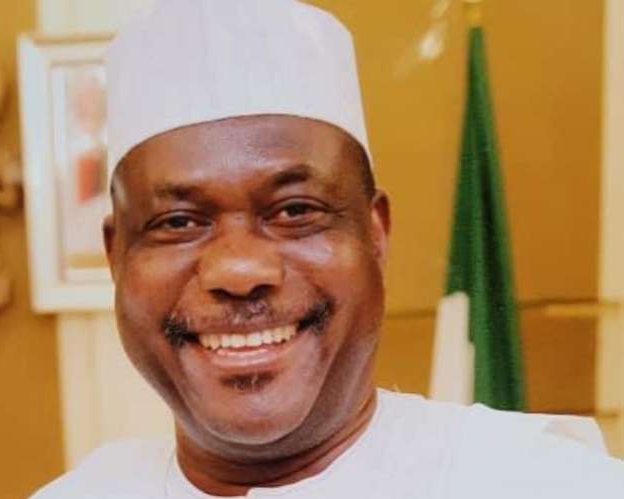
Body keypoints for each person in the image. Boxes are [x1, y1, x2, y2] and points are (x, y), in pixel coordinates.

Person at [32, 1, 624, 497]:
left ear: (375, 233)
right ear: (115, 256)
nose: (239, 269)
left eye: (295, 212)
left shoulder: (542, 483)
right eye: (179, 222)